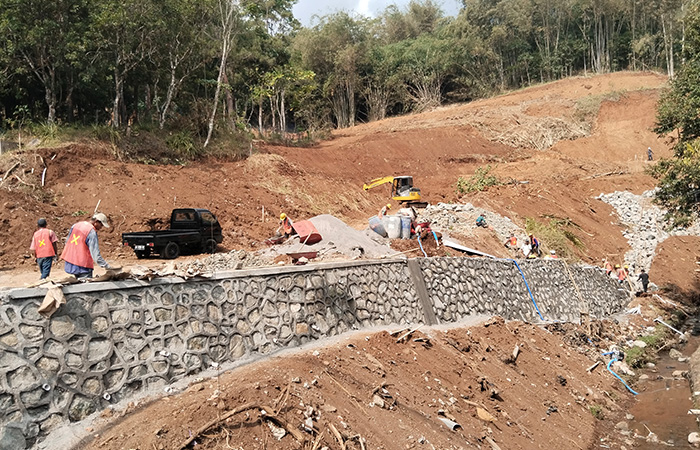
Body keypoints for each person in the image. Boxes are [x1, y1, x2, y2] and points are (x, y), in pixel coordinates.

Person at [61, 213, 113, 279]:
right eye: (101, 225)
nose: (101, 228)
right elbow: (95, 254)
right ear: (96, 222)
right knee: (85, 286)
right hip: (83, 265)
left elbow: (67, 242)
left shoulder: (76, 225)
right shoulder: (91, 232)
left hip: (71, 262)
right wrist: (106, 266)